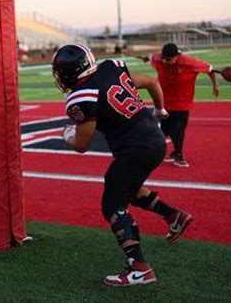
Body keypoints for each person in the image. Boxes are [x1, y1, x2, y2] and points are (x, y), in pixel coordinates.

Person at [53, 43, 193, 287]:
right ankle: (174, 216)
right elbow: (150, 81)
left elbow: (82, 144)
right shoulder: (111, 68)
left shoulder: (80, 97)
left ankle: (140, 268)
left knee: (112, 205)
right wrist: (159, 110)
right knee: (127, 187)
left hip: (135, 148)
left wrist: (67, 134)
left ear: (68, 72)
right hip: (154, 139)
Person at [144, 43, 219, 167]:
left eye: (168, 59)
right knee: (164, 130)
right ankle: (174, 152)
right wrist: (147, 57)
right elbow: (152, 57)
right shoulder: (158, 59)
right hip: (164, 101)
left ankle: (179, 155)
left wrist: (215, 85)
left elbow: (210, 69)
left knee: (177, 129)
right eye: (163, 58)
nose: (165, 61)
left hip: (182, 102)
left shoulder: (191, 63)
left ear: (177, 56)